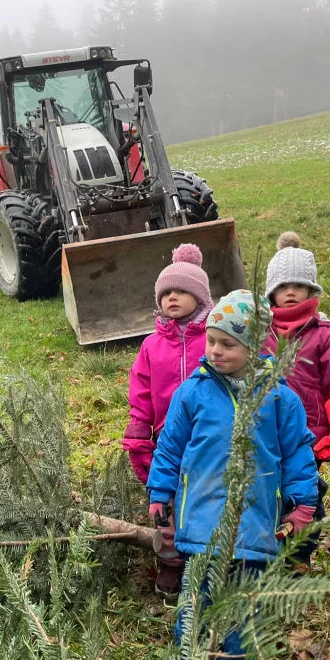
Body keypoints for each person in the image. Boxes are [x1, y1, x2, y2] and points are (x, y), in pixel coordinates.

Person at [146, 289, 319, 660]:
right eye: (212, 341)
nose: (216, 351)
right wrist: (160, 493)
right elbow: (170, 447)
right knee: (194, 602)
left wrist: (303, 503)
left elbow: (297, 451)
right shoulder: (194, 393)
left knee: (241, 615)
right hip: (202, 528)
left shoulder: (278, 397)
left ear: (254, 345)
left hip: (251, 528)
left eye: (228, 343)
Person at [122, 243, 213, 595]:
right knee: (168, 506)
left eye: (182, 291)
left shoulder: (214, 340)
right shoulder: (151, 346)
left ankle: (206, 560)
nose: (172, 297)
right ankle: (171, 563)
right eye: (166, 293)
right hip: (166, 441)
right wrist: (139, 427)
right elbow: (141, 391)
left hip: (208, 439)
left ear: (201, 298)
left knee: (205, 499)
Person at [262, 231, 330, 567]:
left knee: (304, 495)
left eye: (299, 286)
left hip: (310, 435)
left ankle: (300, 553)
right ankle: (269, 547)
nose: (291, 292)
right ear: (272, 291)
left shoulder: (325, 334)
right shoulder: (260, 332)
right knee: (270, 493)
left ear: (311, 290)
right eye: (284, 286)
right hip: (267, 433)